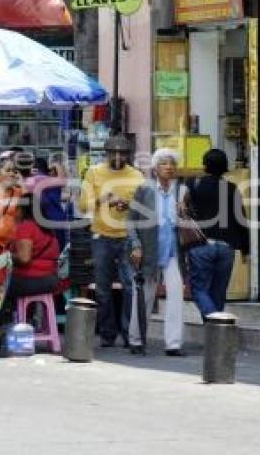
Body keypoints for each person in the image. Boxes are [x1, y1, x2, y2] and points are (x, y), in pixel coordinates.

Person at [78, 135, 144, 348]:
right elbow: (82, 206)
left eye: (122, 153)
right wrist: (102, 200)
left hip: (128, 237)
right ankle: (107, 333)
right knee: (103, 288)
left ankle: (128, 333)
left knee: (129, 286)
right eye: (113, 153)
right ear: (106, 154)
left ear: (128, 155)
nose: (117, 157)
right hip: (101, 236)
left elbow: (144, 207)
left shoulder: (137, 176)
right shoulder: (94, 173)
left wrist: (129, 205)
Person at [126, 148, 186, 356]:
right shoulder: (145, 189)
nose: (169, 167)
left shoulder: (182, 191)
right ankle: (136, 339)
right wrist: (135, 245)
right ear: (155, 168)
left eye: (172, 164)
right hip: (148, 249)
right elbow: (131, 220)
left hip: (174, 251)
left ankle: (173, 343)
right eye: (164, 164)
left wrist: (185, 212)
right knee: (143, 296)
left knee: (176, 295)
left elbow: (191, 220)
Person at [185, 149, 250, 320]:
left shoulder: (194, 185)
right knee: (218, 294)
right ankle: (216, 337)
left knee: (199, 289)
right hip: (226, 248)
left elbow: (185, 212)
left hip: (201, 245)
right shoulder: (232, 189)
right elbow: (241, 219)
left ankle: (216, 320)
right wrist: (245, 249)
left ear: (205, 166)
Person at [9, 194, 60, 299]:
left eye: (17, 207)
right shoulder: (47, 228)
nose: (14, 211)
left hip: (31, 280)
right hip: (51, 280)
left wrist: (7, 256)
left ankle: (1, 314)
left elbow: (24, 258)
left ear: (23, 210)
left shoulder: (26, 227)